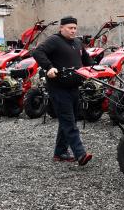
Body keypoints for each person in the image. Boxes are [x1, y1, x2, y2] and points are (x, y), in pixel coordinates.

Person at [32, 16, 93, 166]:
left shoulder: (78, 43)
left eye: (74, 28)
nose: (73, 30)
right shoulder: (54, 40)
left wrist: (96, 69)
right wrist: (49, 67)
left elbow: (87, 60)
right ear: (61, 28)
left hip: (74, 87)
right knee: (69, 122)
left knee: (68, 120)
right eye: (70, 28)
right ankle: (80, 154)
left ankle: (60, 153)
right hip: (58, 88)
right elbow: (37, 52)